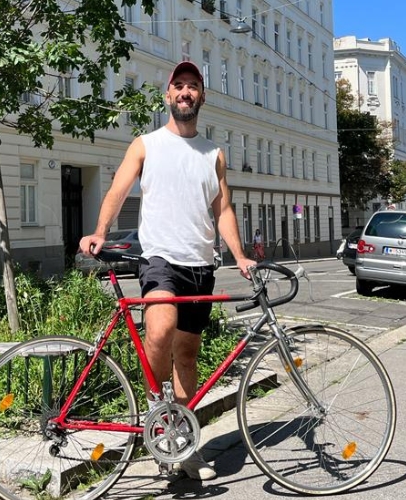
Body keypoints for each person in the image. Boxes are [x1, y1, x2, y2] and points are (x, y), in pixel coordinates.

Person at [80, 61, 254, 481]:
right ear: (167, 95)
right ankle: (157, 413)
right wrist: (100, 230)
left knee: (188, 354)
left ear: (202, 97)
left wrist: (241, 255)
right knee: (159, 329)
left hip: (201, 264)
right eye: (179, 86)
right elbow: (119, 188)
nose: (185, 92)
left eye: (193, 86)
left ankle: (180, 441)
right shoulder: (146, 144)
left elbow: (223, 209)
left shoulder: (214, 154)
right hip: (159, 259)